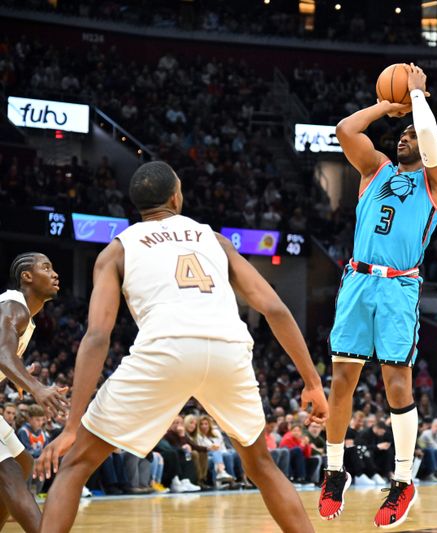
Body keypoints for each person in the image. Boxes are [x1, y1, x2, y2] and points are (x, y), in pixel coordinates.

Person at [34, 161, 328, 533]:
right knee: (260, 465)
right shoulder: (214, 239)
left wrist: (73, 425)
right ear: (177, 196)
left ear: (137, 206)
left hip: (166, 349)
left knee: (76, 464)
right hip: (228, 348)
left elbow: (97, 336)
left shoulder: (116, 251)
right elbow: (273, 307)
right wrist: (312, 383)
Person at [320, 63, 437, 529]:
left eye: (412, 135)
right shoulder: (375, 169)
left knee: (397, 383)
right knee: (341, 382)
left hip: (399, 285)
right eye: (402, 134)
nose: (404, 138)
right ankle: (335, 471)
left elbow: (432, 148)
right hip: (357, 279)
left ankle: (402, 480)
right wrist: (387, 105)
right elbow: (344, 129)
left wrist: (418, 99)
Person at [0, 253, 68, 532]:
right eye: (46, 268)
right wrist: (36, 387)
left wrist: (21, 377)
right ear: (27, 277)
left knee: (22, 462)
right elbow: (2, 353)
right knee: (10, 473)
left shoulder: (22, 316)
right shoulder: (13, 306)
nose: (55, 274)